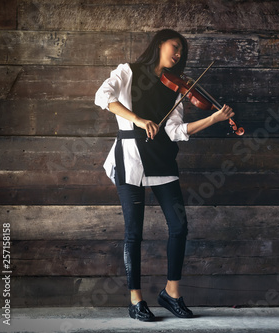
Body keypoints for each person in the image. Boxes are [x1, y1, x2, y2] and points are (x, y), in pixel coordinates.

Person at [94, 29, 234, 321]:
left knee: (179, 227)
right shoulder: (127, 71)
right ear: (159, 43)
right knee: (134, 233)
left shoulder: (176, 88)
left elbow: (175, 131)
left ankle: (171, 294)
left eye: (182, 51)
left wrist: (212, 118)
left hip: (162, 160)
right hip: (130, 157)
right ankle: (136, 300)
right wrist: (139, 119)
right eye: (175, 46)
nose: (179, 54)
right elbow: (102, 96)